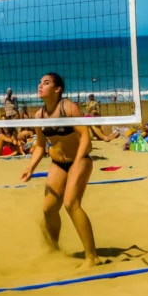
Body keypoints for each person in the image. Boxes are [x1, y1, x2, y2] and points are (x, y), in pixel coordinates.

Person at [20, 73, 99, 269]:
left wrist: (77, 163)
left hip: (79, 159)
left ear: (57, 89)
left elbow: (85, 138)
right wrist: (30, 167)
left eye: (45, 83)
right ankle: (54, 249)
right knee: (48, 208)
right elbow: (40, 146)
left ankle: (92, 257)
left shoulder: (68, 108)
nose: (40, 86)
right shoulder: (39, 116)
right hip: (57, 163)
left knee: (71, 203)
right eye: (39, 82)